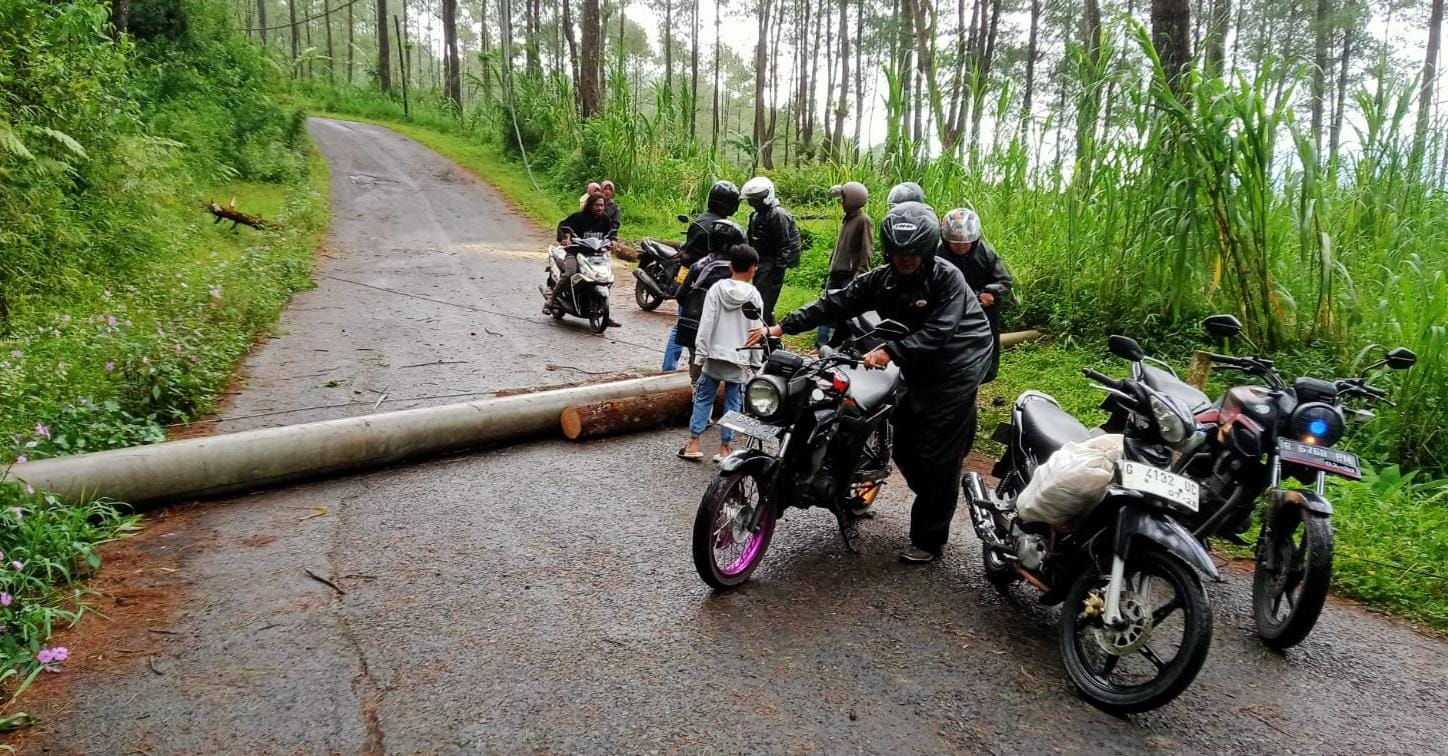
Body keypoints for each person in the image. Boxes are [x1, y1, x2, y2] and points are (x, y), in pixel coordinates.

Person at [748, 202, 994, 563]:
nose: (905, 260)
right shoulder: (882, 278)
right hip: (917, 358)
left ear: (927, 251)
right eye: (897, 253)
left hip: (959, 362)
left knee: (939, 455)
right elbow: (837, 301)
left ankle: (929, 538)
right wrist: (782, 325)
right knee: (906, 443)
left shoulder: (947, 278)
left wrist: (892, 352)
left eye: (913, 254)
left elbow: (941, 330)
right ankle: (929, 492)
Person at [680, 244, 764, 463]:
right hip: (739, 356)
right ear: (753, 269)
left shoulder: (717, 289)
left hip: (715, 354)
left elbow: (706, 322)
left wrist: (701, 353)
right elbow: (757, 330)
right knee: (733, 403)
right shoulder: (755, 295)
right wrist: (755, 361)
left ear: (730, 265)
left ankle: (694, 443)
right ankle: (725, 448)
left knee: (704, 397)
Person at [663, 180, 743, 372]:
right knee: (703, 327)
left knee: (683, 324)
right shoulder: (724, 228)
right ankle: (701, 368)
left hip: (689, 278)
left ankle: (669, 368)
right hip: (705, 282)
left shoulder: (699, 221)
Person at [940, 208, 1012, 382]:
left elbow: (1004, 281)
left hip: (982, 311)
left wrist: (991, 294)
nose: (961, 245)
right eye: (955, 242)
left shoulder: (986, 253)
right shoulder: (938, 254)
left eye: (965, 241)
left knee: (984, 353)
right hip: (949, 311)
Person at [672, 219, 745, 381]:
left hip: (694, 329)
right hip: (725, 335)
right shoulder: (737, 272)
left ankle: (696, 393)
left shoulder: (699, 266)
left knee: (697, 366)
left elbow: (680, 296)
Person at [546, 191, 621, 326]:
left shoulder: (604, 220)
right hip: (575, 253)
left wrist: (613, 240)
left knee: (606, 277)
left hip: (595, 255)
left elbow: (611, 233)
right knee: (570, 273)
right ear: (590, 205)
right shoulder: (579, 217)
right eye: (597, 205)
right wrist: (564, 238)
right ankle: (551, 300)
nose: (600, 208)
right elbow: (563, 226)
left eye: (602, 205)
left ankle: (603, 311)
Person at [816, 182, 873, 348]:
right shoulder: (847, 219)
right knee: (826, 308)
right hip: (836, 273)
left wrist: (859, 276)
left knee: (847, 313)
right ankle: (821, 344)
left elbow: (866, 251)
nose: (841, 203)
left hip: (849, 275)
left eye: (843, 200)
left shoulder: (863, 221)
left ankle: (842, 345)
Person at [740, 177, 801, 326]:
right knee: (759, 301)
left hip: (772, 263)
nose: (753, 203)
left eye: (756, 200)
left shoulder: (777, 215)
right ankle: (768, 333)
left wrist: (778, 272)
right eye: (751, 200)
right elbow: (752, 241)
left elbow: (784, 245)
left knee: (763, 304)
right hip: (761, 262)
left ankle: (766, 336)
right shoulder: (755, 216)